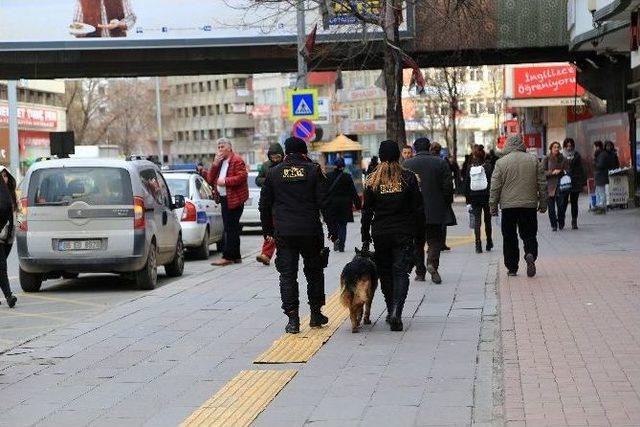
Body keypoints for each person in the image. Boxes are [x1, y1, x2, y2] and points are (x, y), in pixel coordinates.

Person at [260, 137, 333, 334]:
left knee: (287, 275)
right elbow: (324, 202)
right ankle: (316, 315)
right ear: (304, 153)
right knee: (315, 273)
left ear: (286, 153)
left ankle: (293, 320)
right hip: (310, 231)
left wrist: (267, 230)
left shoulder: (274, 173)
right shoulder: (313, 170)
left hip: (284, 233)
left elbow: (264, 204)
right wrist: (333, 230)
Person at [361, 140, 423, 331]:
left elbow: (366, 212)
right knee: (401, 272)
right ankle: (396, 310)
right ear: (398, 155)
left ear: (380, 156)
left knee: (385, 273)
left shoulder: (372, 180)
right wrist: (420, 236)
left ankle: (390, 309)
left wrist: (365, 236)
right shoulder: (409, 178)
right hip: (403, 233)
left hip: (380, 234)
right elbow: (418, 209)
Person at [489, 135, 547, 278]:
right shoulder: (533, 160)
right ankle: (530, 253)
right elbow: (542, 184)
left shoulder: (501, 163)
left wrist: (493, 206)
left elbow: (495, 187)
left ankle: (512, 267)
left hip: (508, 207)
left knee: (509, 237)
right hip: (529, 205)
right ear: (522, 145)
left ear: (507, 146)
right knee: (529, 234)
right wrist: (543, 203)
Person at [404, 138, 454, 284]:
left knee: (417, 242)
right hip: (435, 208)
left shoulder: (407, 164)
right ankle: (432, 263)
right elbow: (448, 186)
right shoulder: (440, 162)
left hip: (414, 211)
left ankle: (420, 273)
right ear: (429, 147)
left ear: (414, 149)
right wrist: (445, 202)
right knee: (435, 240)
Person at [207, 138, 249, 266]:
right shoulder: (220, 162)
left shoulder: (237, 160)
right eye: (218, 147)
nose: (220, 149)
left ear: (229, 148)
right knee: (232, 228)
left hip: (235, 199)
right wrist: (214, 164)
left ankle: (228, 256)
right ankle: (236, 256)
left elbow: (242, 177)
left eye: (222, 147)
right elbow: (210, 179)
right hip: (225, 199)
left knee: (230, 228)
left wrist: (225, 181)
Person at [255, 143, 285, 265]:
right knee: (271, 228)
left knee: (280, 229)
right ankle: (267, 254)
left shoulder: (285, 166)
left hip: (282, 201)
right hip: (269, 201)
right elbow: (258, 179)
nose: (275, 159)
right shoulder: (265, 166)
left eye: (277, 157)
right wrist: (269, 180)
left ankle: (269, 254)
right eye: (273, 157)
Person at [326, 158, 361, 252]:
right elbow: (353, 192)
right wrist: (358, 205)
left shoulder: (328, 176)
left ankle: (335, 240)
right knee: (342, 225)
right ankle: (341, 245)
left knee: (334, 224)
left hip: (332, 204)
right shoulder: (347, 177)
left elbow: (324, 192)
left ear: (334, 166)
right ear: (344, 166)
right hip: (345, 205)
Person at [463, 144, 493, 253]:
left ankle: (478, 244)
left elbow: (466, 183)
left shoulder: (470, 167)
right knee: (487, 220)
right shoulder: (488, 166)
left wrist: (467, 199)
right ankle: (489, 242)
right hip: (487, 196)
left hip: (474, 196)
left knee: (477, 221)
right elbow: (492, 182)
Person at [558, 138, 586, 229]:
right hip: (565, 181)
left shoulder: (577, 155)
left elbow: (581, 169)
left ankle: (574, 221)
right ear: (565, 146)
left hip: (575, 181)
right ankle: (561, 220)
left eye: (570, 146)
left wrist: (583, 181)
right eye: (567, 146)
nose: (569, 148)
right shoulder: (561, 155)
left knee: (574, 202)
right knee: (563, 202)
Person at [0, 167, 17, 308]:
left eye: (6, 176)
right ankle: (9, 296)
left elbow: (16, 213)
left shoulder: (11, 195)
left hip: (9, 236)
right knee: (2, 266)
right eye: (2, 176)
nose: (4, 179)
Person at [543, 141, 568, 231]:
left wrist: (561, 171)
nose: (556, 149)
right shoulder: (547, 158)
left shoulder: (563, 158)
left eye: (558, 147)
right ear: (551, 149)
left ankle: (561, 222)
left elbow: (567, 171)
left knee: (561, 207)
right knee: (551, 209)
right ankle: (553, 224)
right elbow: (542, 172)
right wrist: (551, 172)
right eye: (554, 147)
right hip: (549, 186)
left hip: (560, 186)